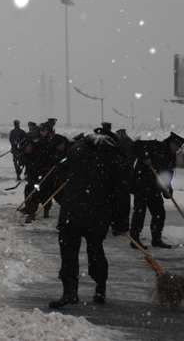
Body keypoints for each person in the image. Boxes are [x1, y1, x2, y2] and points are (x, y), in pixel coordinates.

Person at [49, 129, 129, 308]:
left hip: (71, 212)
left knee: (68, 253)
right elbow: (121, 193)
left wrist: (66, 199)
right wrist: (121, 223)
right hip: (97, 214)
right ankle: (100, 288)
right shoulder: (114, 158)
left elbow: (59, 173)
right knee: (95, 252)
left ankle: (69, 293)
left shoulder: (76, 150)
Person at [129, 132, 184, 249]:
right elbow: (135, 145)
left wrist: (168, 189)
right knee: (139, 213)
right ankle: (134, 239)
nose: (178, 149)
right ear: (172, 143)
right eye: (177, 146)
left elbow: (168, 174)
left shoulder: (171, 155)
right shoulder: (154, 146)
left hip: (154, 189)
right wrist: (145, 157)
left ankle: (156, 239)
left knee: (159, 213)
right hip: (141, 185)